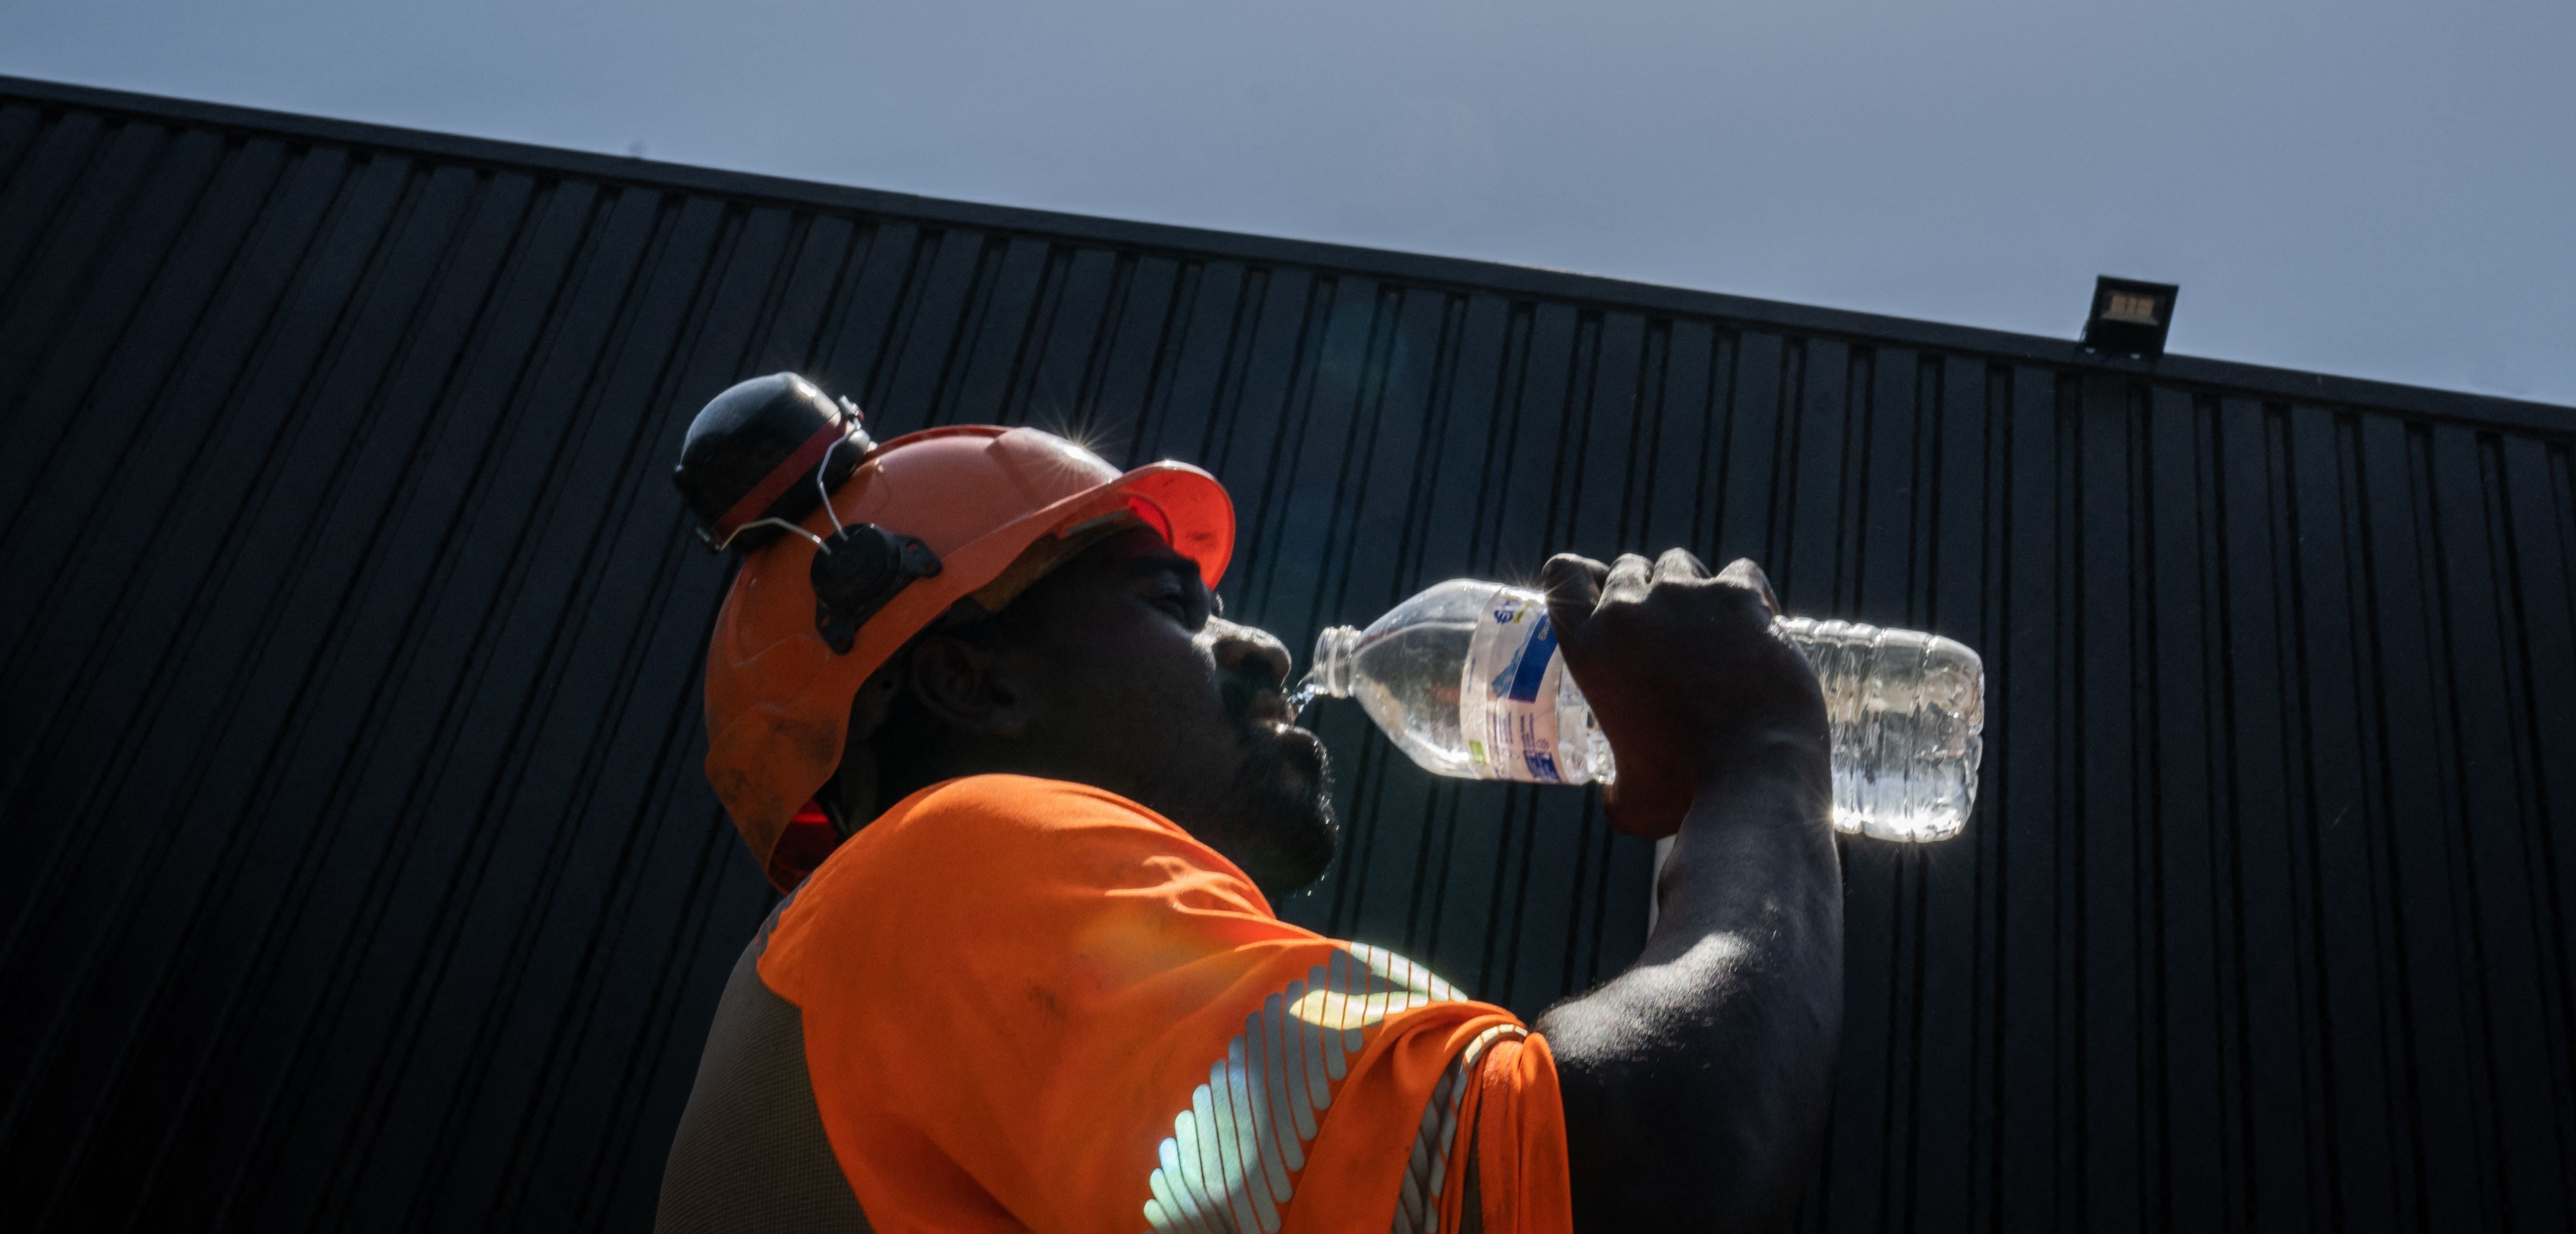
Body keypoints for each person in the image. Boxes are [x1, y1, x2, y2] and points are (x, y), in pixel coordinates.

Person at [652, 375, 1844, 1234]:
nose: (1261, 647)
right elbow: (1619, 1176)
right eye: (1175, 605)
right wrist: (1762, 752)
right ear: (975, 681)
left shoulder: (893, 999)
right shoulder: (950, 863)